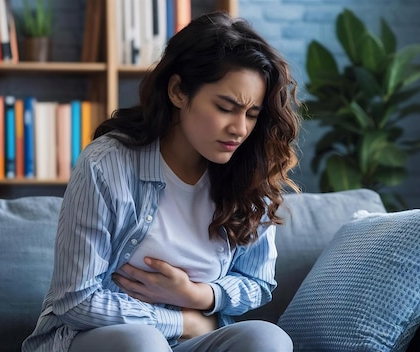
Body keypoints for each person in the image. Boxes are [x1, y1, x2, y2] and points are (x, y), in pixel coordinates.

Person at [22, 11, 301, 352]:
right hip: (103, 340)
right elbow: (75, 300)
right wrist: (183, 321)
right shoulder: (106, 164)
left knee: (268, 339)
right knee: (143, 342)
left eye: (252, 114)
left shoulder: (249, 175)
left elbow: (257, 282)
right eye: (225, 107)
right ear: (179, 91)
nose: (240, 129)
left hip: (192, 341)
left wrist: (195, 295)